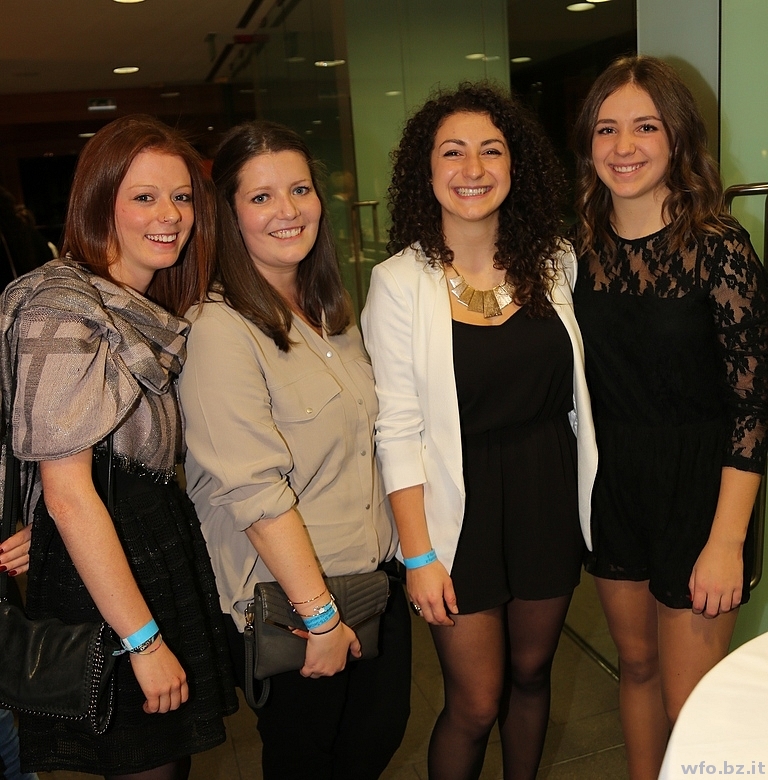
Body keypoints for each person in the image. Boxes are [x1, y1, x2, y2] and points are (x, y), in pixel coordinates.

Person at [360, 82, 598, 780]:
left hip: (545, 490)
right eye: (453, 152)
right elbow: (396, 428)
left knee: (532, 674)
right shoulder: (398, 283)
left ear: (515, 165)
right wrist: (418, 555)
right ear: (426, 169)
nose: (473, 168)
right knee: (474, 700)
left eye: (491, 151)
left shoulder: (555, 262)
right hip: (453, 508)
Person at [0, 114, 238, 779]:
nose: (170, 215)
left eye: (182, 196)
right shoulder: (63, 306)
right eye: (144, 197)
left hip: (144, 546)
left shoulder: (139, 302)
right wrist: (144, 641)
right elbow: (70, 494)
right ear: (100, 203)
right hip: (108, 577)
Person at [177, 119, 411, 780]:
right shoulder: (218, 329)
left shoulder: (330, 312)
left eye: (300, 189)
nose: (288, 210)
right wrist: (319, 616)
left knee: (374, 743)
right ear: (228, 216)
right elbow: (252, 490)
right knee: (310, 761)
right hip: (294, 604)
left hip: (370, 582)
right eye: (261, 197)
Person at [570, 55, 768, 780]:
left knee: (694, 703)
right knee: (637, 666)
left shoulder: (721, 248)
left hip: (702, 490)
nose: (623, 146)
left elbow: (753, 408)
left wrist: (727, 541)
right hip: (616, 484)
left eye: (645, 127)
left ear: (678, 137)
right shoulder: (576, 250)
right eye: (607, 129)